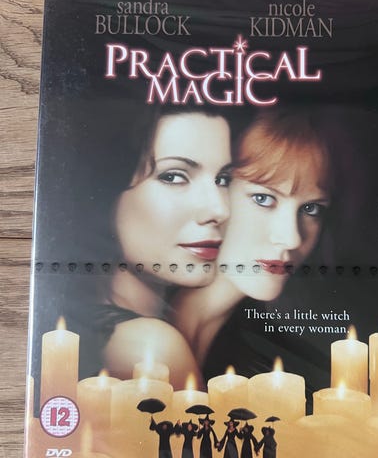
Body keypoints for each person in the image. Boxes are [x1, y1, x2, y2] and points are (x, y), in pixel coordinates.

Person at [172, 108, 333, 367]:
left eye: (311, 209)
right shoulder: (144, 341)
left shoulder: (266, 357)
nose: (291, 239)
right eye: (263, 199)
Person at [97, 108, 233, 388]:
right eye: (174, 176)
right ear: (106, 190)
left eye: (223, 179)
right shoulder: (151, 349)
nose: (220, 209)